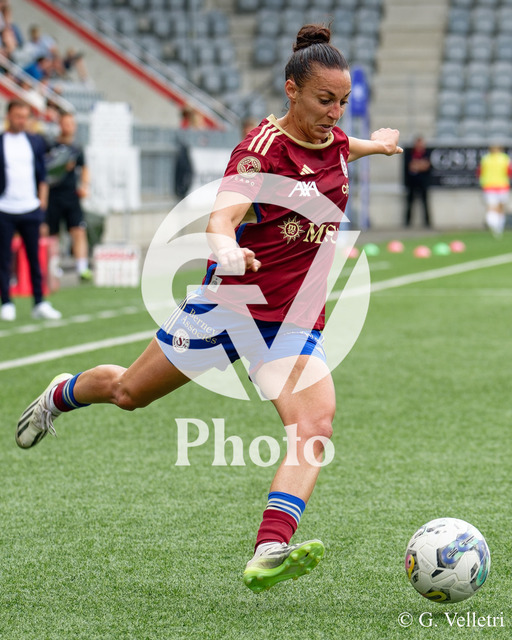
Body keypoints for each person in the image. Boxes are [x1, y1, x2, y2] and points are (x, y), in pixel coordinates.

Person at [16, 25, 401, 591]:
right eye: (325, 100)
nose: (335, 113)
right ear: (292, 90)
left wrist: (380, 144)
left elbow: (345, 148)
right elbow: (222, 217)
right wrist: (228, 249)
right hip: (229, 307)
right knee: (127, 393)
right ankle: (61, 392)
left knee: (314, 424)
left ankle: (270, 547)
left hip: (291, 322)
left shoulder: (334, 140)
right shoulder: (258, 152)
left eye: (342, 102)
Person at [0, 100, 61, 321]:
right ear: (9, 116)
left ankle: (39, 302)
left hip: (30, 207)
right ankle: (6, 302)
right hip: (5, 208)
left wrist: (41, 204)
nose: (21, 121)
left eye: (25, 117)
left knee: (35, 257)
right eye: (18, 116)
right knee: (4, 258)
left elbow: (42, 175)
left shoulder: (35, 141)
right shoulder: (2, 141)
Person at [45, 111, 91, 281]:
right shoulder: (51, 146)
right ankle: (53, 267)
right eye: (65, 124)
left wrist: (84, 186)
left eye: (71, 124)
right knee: (52, 233)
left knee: (78, 230)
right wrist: (59, 165)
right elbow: (45, 169)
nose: (69, 127)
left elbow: (85, 168)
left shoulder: (77, 148)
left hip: (71, 196)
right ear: (60, 125)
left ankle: (82, 268)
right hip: (53, 195)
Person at [477, 144, 512, 238]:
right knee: (494, 207)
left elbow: (479, 172)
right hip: (496, 186)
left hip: (494, 186)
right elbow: (509, 172)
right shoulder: (504, 159)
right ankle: (494, 225)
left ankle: (497, 226)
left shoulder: (486, 159)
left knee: (498, 206)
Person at [404, 135, 431, 227]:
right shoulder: (410, 153)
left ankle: (427, 222)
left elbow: (426, 166)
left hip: (423, 182)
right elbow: (410, 166)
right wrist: (421, 165)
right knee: (410, 203)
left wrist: (417, 165)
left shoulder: (426, 153)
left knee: (425, 202)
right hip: (412, 182)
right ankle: (407, 222)